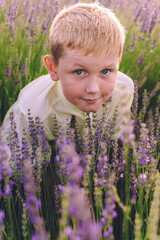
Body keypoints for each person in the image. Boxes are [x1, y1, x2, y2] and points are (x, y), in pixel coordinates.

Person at [3, 2, 134, 152]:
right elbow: (27, 168)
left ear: (118, 63)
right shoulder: (34, 110)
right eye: (79, 72)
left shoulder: (123, 91)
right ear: (53, 68)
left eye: (105, 71)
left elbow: (112, 142)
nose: (93, 89)